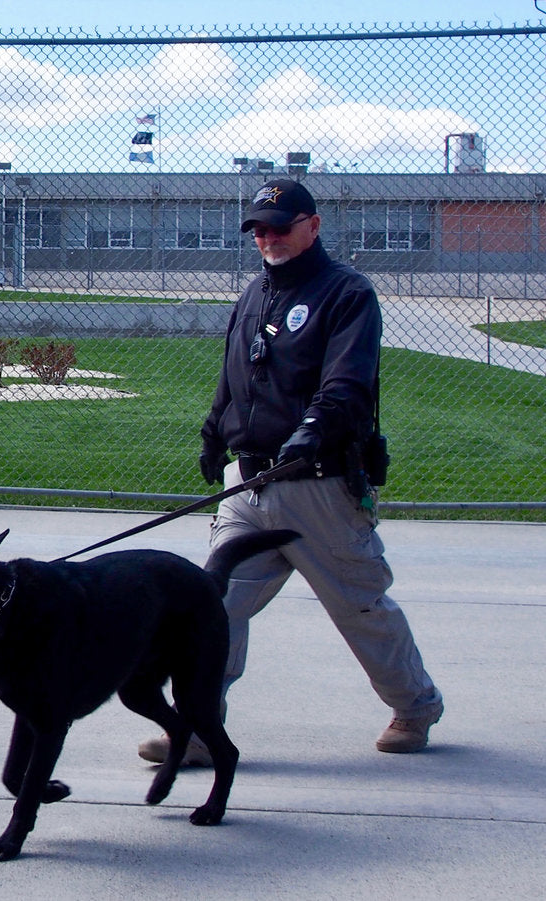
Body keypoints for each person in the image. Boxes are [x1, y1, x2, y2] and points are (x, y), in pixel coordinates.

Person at [139, 178, 443, 766]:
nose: (269, 237)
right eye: (259, 228)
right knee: (213, 606)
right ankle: (199, 731)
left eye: (281, 226)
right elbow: (234, 377)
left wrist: (311, 431)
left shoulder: (346, 294)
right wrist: (213, 432)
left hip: (319, 485)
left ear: (313, 225)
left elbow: (347, 381)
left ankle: (415, 707)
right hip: (248, 487)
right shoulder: (254, 293)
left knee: (361, 607)